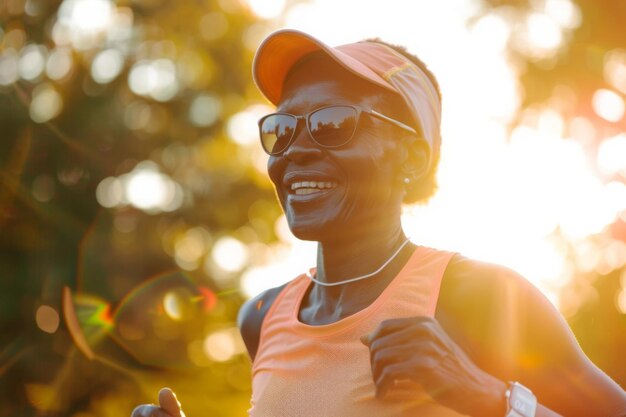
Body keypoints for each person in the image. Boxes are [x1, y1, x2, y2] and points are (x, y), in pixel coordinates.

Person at [132, 30, 626, 417]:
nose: (297, 148)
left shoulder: (480, 296)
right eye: (281, 128)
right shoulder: (261, 318)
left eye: (331, 124)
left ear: (410, 156)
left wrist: (490, 399)